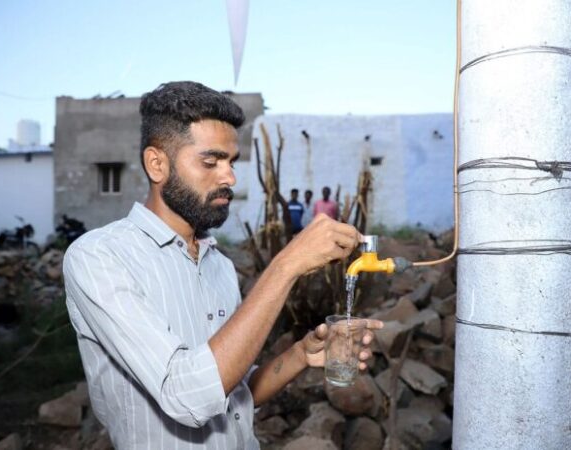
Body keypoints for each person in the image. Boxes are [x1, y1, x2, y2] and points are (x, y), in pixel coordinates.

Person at [63, 81, 382, 449]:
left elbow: (231, 392)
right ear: (157, 164)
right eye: (210, 161)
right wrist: (286, 265)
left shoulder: (219, 266)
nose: (229, 177)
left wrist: (300, 356)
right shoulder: (100, 257)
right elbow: (188, 397)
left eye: (231, 162)